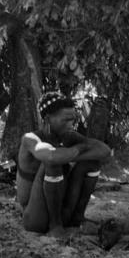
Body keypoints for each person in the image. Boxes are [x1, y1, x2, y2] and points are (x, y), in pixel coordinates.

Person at [16, 92, 111, 237]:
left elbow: (104, 151)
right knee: (53, 163)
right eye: (66, 120)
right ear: (48, 119)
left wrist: (71, 154)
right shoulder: (30, 139)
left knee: (91, 163)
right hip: (35, 218)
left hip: (61, 208)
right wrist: (77, 150)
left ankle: (77, 218)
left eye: (73, 120)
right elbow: (52, 156)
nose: (71, 125)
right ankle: (55, 225)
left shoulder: (68, 136)